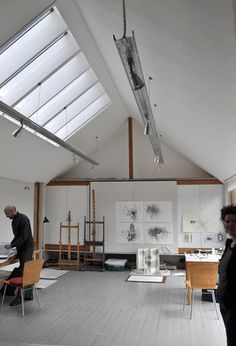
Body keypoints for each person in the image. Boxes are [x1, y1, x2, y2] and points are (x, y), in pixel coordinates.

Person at [4, 205, 34, 306]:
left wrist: (12, 245)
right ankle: (26, 295)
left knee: (25, 271)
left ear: (12, 211)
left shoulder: (23, 219)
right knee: (24, 270)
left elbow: (24, 236)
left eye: (7, 214)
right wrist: (11, 245)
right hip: (21, 247)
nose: (6, 217)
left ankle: (22, 296)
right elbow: (17, 236)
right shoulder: (14, 220)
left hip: (26, 247)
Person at [217, 205, 236, 346]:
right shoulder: (229, 243)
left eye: (235, 221)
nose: (230, 225)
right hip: (224, 301)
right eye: (227, 221)